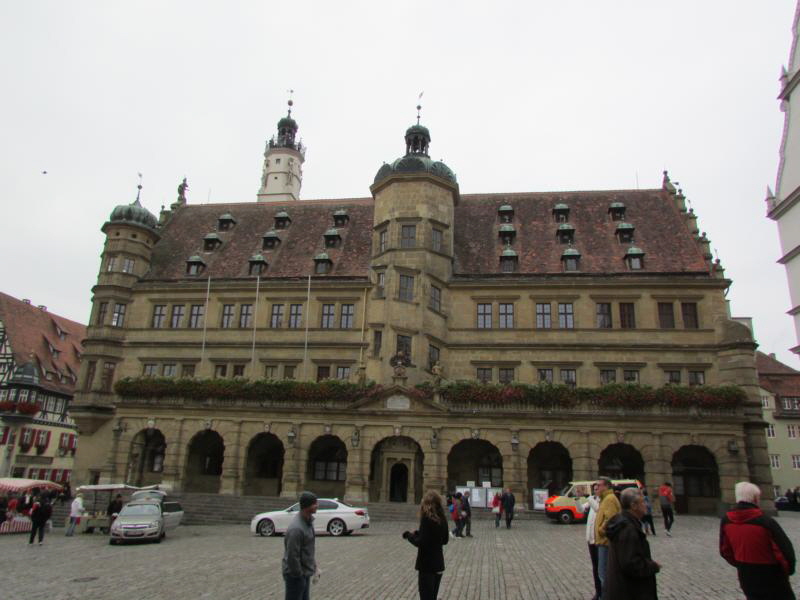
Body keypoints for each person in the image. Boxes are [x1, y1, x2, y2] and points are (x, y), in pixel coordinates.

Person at [719, 481, 796, 600]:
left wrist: (741, 564)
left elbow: (725, 550)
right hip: (771, 574)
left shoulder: (727, 521)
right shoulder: (765, 522)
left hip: (746, 574)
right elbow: (784, 552)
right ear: (755, 499)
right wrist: (787, 571)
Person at [604, 488, 661, 600]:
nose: (646, 504)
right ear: (633, 505)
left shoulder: (627, 524)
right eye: (643, 502)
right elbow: (630, 563)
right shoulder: (628, 529)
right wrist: (652, 566)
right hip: (628, 591)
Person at [402, 490, 450, 600]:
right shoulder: (442, 517)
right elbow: (444, 540)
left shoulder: (427, 518)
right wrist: (419, 534)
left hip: (427, 565)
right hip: (438, 564)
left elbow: (421, 542)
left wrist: (409, 535)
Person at [283, 491, 319, 600]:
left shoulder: (308, 522)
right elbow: (292, 556)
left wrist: (314, 567)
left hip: (304, 573)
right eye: (315, 503)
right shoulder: (296, 528)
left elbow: (308, 549)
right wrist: (299, 576)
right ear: (308, 506)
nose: (317, 506)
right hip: (295, 576)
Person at [594, 476, 622, 599]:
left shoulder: (609, 499)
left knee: (604, 574)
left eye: (599, 485)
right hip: (603, 542)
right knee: (604, 573)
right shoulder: (605, 498)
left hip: (606, 542)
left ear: (606, 486)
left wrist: (600, 531)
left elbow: (611, 520)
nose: (596, 487)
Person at [584, 483, 603, 600]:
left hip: (598, 540)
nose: (595, 491)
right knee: (595, 568)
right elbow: (580, 509)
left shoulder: (602, 501)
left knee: (601, 569)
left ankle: (603, 593)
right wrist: (576, 498)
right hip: (590, 539)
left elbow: (597, 509)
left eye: (597, 489)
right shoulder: (593, 499)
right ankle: (598, 592)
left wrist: (588, 497)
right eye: (594, 489)